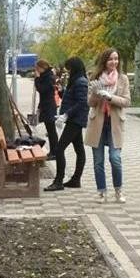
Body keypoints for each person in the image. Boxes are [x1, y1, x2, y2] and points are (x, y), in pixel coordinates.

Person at [86, 48, 131, 204]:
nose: (114, 62)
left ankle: (118, 191)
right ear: (104, 61)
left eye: (116, 59)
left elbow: (126, 101)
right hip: (97, 123)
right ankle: (101, 192)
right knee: (98, 161)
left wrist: (111, 97)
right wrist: (96, 94)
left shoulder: (123, 79)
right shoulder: (95, 77)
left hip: (115, 123)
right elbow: (90, 103)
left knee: (115, 158)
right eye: (111, 59)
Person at [44, 57, 89, 192]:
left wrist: (66, 114)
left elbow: (81, 102)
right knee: (79, 149)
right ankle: (75, 179)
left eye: (69, 69)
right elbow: (71, 98)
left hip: (75, 120)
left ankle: (59, 181)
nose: (67, 72)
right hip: (73, 119)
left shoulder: (81, 82)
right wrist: (62, 90)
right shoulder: (76, 80)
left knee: (59, 149)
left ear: (74, 68)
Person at [34, 59, 58, 160]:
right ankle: (53, 151)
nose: (37, 70)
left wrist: (37, 79)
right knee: (50, 130)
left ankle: (55, 152)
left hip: (49, 106)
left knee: (51, 130)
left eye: (37, 68)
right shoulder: (46, 76)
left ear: (42, 67)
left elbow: (41, 89)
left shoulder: (48, 77)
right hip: (46, 105)